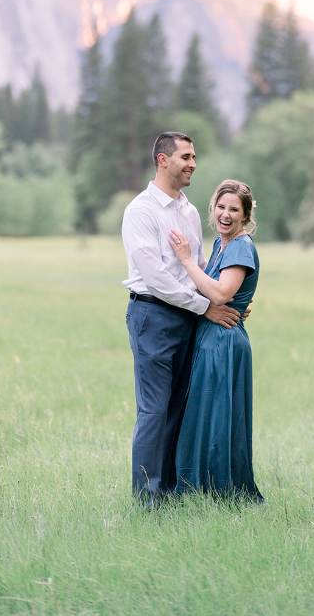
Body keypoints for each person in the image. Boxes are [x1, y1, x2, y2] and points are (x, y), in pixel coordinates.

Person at [122, 132, 242, 506]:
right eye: (186, 157)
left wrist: (226, 297)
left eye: (193, 157)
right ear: (163, 160)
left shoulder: (188, 211)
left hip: (188, 318)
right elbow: (156, 278)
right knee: (154, 411)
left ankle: (170, 493)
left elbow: (200, 266)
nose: (193, 164)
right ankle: (147, 501)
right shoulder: (141, 211)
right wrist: (205, 307)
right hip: (153, 316)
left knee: (178, 408)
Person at [169, 179, 264, 502]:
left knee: (218, 418)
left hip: (223, 341)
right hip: (212, 337)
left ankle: (218, 491)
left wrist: (185, 260)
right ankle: (203, 489)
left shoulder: (239, 246)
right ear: (213, 208)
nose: (225, 214)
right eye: (221, 207)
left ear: (245, 215)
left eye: (234, 209)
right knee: (207, 414)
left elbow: (222, 293)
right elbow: (218, 289)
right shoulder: (221, 245)